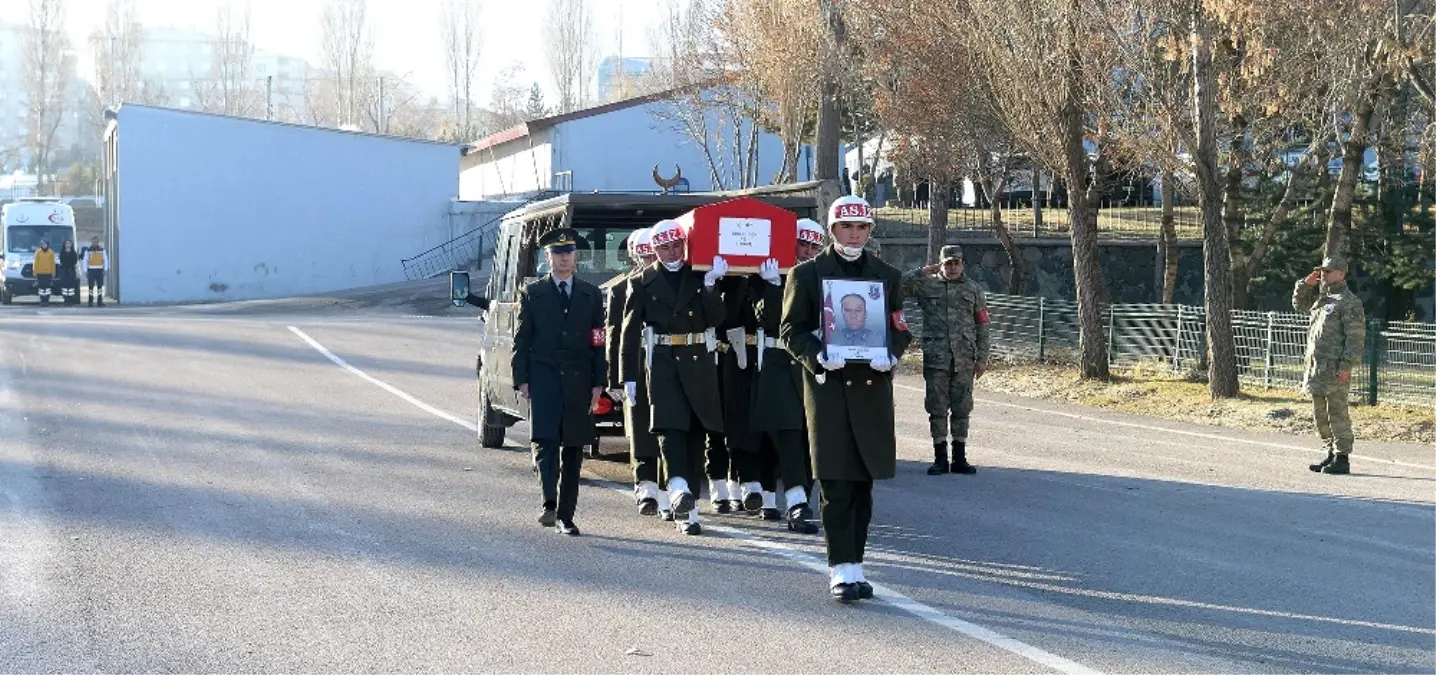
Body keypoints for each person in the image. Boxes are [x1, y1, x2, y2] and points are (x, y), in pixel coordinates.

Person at [780, 195, 911, 604]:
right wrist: (818, 356)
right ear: (831, 229)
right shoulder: (807, 274)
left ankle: (857, 565)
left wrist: (891, 353)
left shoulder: (886, 275)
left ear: (870, 230)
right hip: (829, 389)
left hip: (871, 390)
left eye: (862, 227)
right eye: (846, 227)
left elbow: (899, 327)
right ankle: (840, 568)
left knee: (863, 484)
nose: (854, 234)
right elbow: (790, 331)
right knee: (836, 483)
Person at [619, 219, 728, 536]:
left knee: (695, 433)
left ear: (685, 244)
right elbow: (628, 334)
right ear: (654, 250)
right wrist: (628, 377)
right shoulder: (641, 282)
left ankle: (688, 510)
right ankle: (678, 488)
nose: (671, 252)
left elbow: (717, 319)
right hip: (663, 362)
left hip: (698, 361)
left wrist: (710, 287)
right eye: (664, 247)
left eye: (676, 245)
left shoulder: (698, 274)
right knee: (669, 429)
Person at [512, 227, 607, 536]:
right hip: (545, 377)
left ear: (575, 256)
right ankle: (549, 503)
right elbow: (522, 338)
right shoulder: (534, 293)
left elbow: (598, 340)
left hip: (579, 381)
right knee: (545, 441)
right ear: (548, 257)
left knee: (574, 447)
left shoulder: (591, 294)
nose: (564, 258)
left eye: (569, 252)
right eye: (558, 253)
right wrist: (521, 378)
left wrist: (598, 381)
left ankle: (567, 515)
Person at [748, 218, 827, 535]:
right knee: (786, 433)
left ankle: (800, 500)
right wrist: (773, 285)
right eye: (802, 245)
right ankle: (794, 501)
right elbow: (769, 319)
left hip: (813, 362)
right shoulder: (766, 273)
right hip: (778, 361)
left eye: (813, 247)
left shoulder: (824, 276)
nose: (807, 252)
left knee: (810, 437)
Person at [902, 245, 990, 475]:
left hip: (964, 359)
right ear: (940, 264)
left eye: (956, 263)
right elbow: (898, 286)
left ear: (963, 264)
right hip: (936, 358)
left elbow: (982, 325)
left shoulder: (974, 290)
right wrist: (921, 272)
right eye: (948, 263)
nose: (952, 267)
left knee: (962, 409)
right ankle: (940, 458)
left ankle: (959, 458)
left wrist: (982, 358)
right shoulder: (926, 285)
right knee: (937, 408)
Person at [604, 227, 670, 519]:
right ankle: (645, 485)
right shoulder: (621, 288)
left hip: (667, 365)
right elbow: (615, 335)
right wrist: (616, 377)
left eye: (649, 252)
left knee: (668, 427)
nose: (645, 258)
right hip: (637, 366)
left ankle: (669, 487)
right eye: (641, 253)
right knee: (641, 429)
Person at [1294, 255, 1366, 476]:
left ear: (1341, 273)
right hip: (1317, 367)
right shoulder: (1323, 299)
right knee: (1320, 413)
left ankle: (1342, 457)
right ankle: (1330, 453)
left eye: (1328, 271)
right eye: (1322, 271)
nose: (1323, 274)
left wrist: (1346, 365)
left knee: (1337, 412)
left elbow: (1355, 338)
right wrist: (1305, 285)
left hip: (1335, 368)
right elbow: (1299, 305)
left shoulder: (1349, 302)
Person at [80, 237, 108, 307]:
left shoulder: (102, 250)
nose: (94, 243)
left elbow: (105, 260)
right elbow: (85, 261)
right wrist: (85, 271)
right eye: (93, 242)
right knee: (90, 287)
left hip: (100, 270)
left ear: (98, 242)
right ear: (91, 242)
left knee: (100, 287)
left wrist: (105, 269)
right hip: (91, 270)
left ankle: (100, 301)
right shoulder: (88, 251)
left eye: (96, 242)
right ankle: (90, 302)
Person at [32, 240, 57, 307]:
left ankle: (47, 301)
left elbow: (53, 263)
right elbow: (35, 263)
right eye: (42, 244)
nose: (44, 245)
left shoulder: (51, 252)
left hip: (48, 273)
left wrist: (53, 272)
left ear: (47, 245)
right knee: (41, 288)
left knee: (47, 288)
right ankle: (42, 300)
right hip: (40, 273)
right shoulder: (38, 252)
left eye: (45, 244)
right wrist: (34, 271)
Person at [58, 239, 80, 305]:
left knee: (71, 286)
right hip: (64, 270)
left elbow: (75, 261)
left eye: (69, 243)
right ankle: (66, 300)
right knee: (65, 286)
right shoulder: (62, 252)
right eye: (66, 243)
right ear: (64, 245)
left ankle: (70, 300)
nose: (68, 245)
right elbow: (61, 260)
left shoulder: (73, 253)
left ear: (71, 244)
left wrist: (71, 267)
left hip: (71, 271)